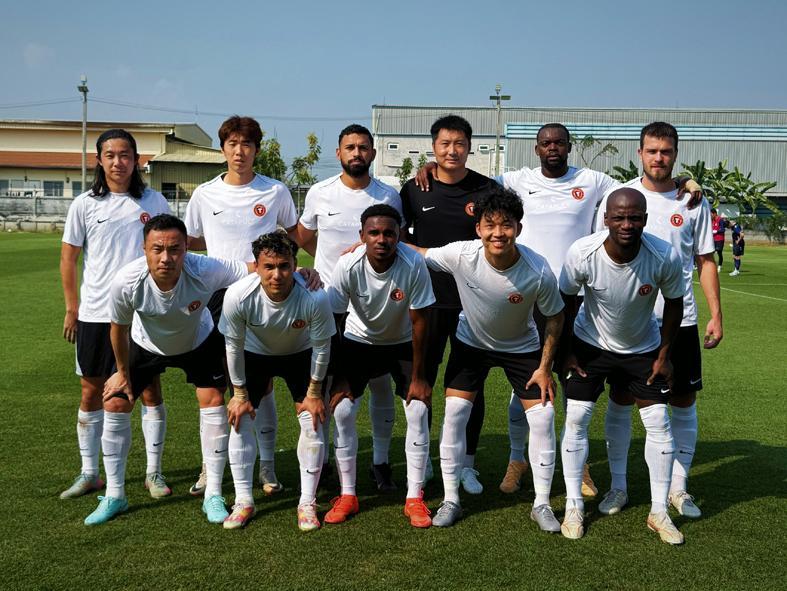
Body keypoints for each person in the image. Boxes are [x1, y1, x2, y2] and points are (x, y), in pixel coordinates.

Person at [416, 123, 701, 497]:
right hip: (522, 291)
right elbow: (469, 182)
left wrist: (684, 181)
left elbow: (639, 188)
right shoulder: (516, 179)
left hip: (569, 296)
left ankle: (579, 467)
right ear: (536, 149)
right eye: (546, 143)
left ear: (568, 147)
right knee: (526, 387)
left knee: (564, 387)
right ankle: (517, 460)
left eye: (560, 143)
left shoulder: (593, 180)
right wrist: (432, 169)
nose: (553, 148)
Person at [412, 186, 565, 531]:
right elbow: (419, 253)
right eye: (490, 225)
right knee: (455, 412)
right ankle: (451, 499)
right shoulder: (461, 254)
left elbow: (555, 316)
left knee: (543, 418)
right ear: (478, 228)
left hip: (521, 347)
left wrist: (545, 368)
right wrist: (366, 245)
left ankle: (541, 504)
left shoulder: (537, 269)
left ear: (518, 228)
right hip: (471, 344)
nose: (498, 233)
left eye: (506, 225)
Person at [85, 214, 251, 526]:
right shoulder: (126, 281)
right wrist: (121, 372)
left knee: (214, 401)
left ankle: (213, 494)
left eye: (175, 249)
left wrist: (301, 274)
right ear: (144, 249)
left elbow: (256, 269)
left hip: (197, 340)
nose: (166, 258)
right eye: (157, 249)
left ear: (187, 248)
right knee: (116, 402)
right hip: (145, 343)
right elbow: (118, 329)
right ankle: (115, 495)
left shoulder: (206, 269)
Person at [595, 122, 722, 520]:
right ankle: (618, 486)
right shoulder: (619, 198)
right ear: (640, 153)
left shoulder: (693, 201)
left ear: (675, 155)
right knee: (621, 400)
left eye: (666, 151)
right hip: (629, 320)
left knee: (683, 401)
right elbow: (600, 253)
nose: (659, 158)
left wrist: (716, 314)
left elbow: (705, 260)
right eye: (652, 150)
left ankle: (678, 490)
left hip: (679, 320)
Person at [560, 188, 685, 544]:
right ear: (606, 219)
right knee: (577, 417)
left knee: (658, 422)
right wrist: (566, 351)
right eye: (619, 217)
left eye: (634, 217)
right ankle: (573, 504)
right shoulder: (582, 252)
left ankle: (658, 511)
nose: (626, 224)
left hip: (642, 348)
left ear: (644, 219)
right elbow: (564, 301)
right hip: (590, 345)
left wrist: (664, 354)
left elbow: (674, 303)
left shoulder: (663, 255)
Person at [184, 115, 299, 497]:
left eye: (246, 144)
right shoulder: (204, 194)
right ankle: (210, 466)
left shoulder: (275, 191)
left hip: (264, 297)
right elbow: (192, 242)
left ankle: (267, 466)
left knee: (262, 385)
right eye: (232, 144)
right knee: (217, 386)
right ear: (222, 149)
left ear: (256, 150)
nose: (239, 151)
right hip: (217, 299)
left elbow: (293, 238)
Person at [60, 129, 172, 501]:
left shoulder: (154, 201)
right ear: (99, 160)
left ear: (136, 160)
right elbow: (69, 258)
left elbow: (171, 248)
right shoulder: (84, 204)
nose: (118, 162)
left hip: (143, 313)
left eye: (125, 155)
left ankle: (153, 473)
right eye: (110, 155)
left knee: (149, 389)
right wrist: (72, 307)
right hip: (96, 313)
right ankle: (90, 472)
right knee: (91, 390)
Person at [294, 124, 404, 491]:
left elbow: (397, 240)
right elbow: (303, 236)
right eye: (350, 147)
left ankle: (380, 462)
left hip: (377, 301)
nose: (356, 153)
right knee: (327, 383)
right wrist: (325, 266)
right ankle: (324, 461)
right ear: (339, 153)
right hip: (329, 301)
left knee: (381, 382)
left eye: (363, 147)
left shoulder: (389, 194)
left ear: (372, 153)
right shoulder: (320, 192)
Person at [400, 114, 499, 496]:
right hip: (426, 303)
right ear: (433, 148)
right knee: (420, 380)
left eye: (459, 144)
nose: (452, 150)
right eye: (445, 144)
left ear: (470, 147)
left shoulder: (487, 189)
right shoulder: (414, 189)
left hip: (474, 304)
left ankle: (467, 465)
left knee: (470, 386)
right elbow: (398, 237)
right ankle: (422, 462)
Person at [325, 205, 435, 527]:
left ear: (399, 235)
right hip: (359, 341)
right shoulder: (347, 264)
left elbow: (420, 321)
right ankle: (348, 495)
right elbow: (335, 320)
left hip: (402, 342)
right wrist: (340, 376)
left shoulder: (413, 263)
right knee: (342, 410)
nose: (382, 239)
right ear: (362, 236)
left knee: (418, 409)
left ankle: (414, 498)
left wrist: (419, 377)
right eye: (374, 232)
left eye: (389, 233)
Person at [219, 231, 335, 531]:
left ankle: (307, 503)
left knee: (312, 419)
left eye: (284, 266)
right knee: (240, 418)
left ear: (295, 265)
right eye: (268, 267)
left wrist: (314, 392)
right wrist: (239, 394)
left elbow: (322, 348)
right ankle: (243, 501)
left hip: (300, 353)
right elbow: (233, 347)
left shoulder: (315, 296)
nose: (277, 274)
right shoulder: (238, 295)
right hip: (255, 354)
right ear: (256, 267)